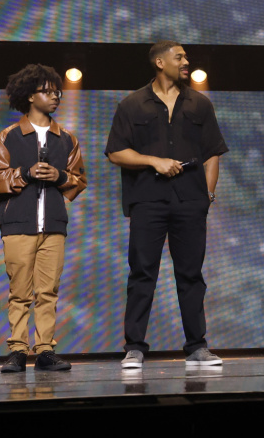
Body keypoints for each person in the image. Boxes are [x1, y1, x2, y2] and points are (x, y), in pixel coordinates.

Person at [105, 41, 228, 369]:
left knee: (191, 274)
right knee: (142, 273)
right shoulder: (132, 104)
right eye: (179, 57)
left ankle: (198, 346)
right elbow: (116, 151)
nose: (186, 62)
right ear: (160, 62)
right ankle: (134, 347)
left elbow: (212, 152)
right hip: (147, 201)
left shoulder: (199, 103)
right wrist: (153, 161)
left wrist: (208, 195)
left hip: (190, 201)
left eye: (186, 57)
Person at [0, 64, 87, 373]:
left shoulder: (66, 138)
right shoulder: (8, 137)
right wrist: (25, 174)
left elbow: (78, 179)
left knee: (48, 291)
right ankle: (17, 350)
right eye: (48, 91)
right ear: (30, 96)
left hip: (54, 226)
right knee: (20, 292)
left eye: (57, 91)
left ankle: (45, 350)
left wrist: (59, 176)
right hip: (18, 224)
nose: (55, 96)